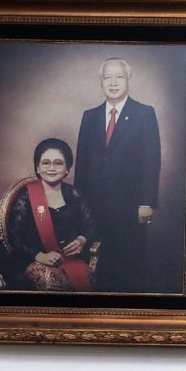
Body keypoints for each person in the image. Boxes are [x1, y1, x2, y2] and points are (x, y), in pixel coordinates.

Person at [74, 57, 161, 293]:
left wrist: (146, 202)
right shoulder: (89, 116)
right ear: (101, 82)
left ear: (128, 79)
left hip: (131, 207)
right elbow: (81, 163)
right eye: (107, 77)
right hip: (93, 205)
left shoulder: (144, 113)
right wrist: (77, 203)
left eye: (119, 77)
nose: (113, 82)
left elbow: (151, 160)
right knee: (94, 265)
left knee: (128, 265)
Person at [5, 138, 96, 291]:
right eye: (45, 163)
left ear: (67, 168)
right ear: (38, 167)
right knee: (50, 282)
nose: (51, 168)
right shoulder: (26, 195)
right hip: (32, 259)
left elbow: (90, 225)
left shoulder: (74, 194)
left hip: (70, 260)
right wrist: (39, 255)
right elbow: (14, 235)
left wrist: (82, 239)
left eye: (58, 163)